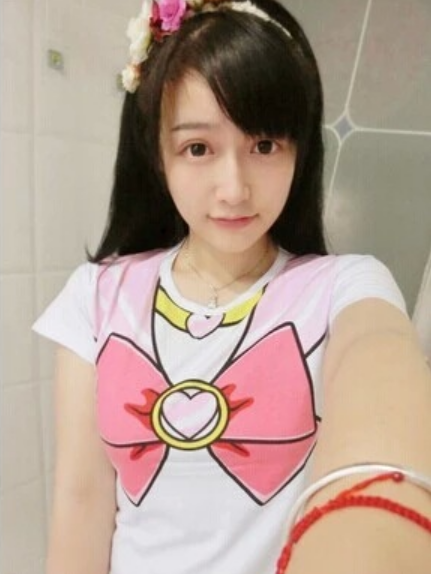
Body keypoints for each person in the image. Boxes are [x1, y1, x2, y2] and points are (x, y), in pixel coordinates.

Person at [33, 0, 431, 573]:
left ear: (299, 151)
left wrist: (375, 518)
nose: (234, 188)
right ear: (158, 155)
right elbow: (81, 503)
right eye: (198, 148)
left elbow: (381, 373)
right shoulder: (96, 296)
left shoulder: (344, 286)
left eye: (264, 145)